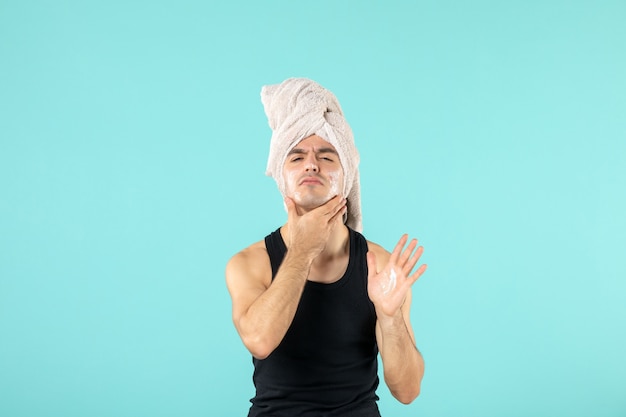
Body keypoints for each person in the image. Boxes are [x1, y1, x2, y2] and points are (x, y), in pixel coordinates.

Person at [225, 78, 428, 417]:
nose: (311, 165)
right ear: (281, 176)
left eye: (326, 156)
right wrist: (303, 250)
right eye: (297, 156)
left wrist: (389, 316)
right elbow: (259, 340)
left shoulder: (380, 265)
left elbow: (407, 391)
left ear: (346, 177)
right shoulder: (250, 263)